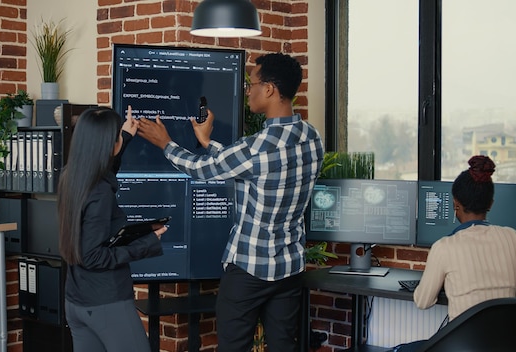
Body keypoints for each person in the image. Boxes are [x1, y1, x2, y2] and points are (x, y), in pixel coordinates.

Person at [137, 53, 324, 351]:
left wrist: (165, 144)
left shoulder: (256, 149)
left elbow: (201, 170)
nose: (248, 90)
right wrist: (209, 143)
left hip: (249, 271)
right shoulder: (312, 138)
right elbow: (250, 167)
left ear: (270, 90)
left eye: (252, 84)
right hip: (290, 268)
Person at [57, 106, 166, 352]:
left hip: (76, 302)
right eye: (116, 135)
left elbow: (104, 170)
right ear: (106, 144)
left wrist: (125, 137)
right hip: (107, 302)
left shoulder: (71, 177)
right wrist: (145, 243)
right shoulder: (100, 193)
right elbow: (92, 256)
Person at [394, 155, 516, 352]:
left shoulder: (445, 247)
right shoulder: (513, 237)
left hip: (461, 347)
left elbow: (423, 301)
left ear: (455, 205)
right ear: (491, 204)